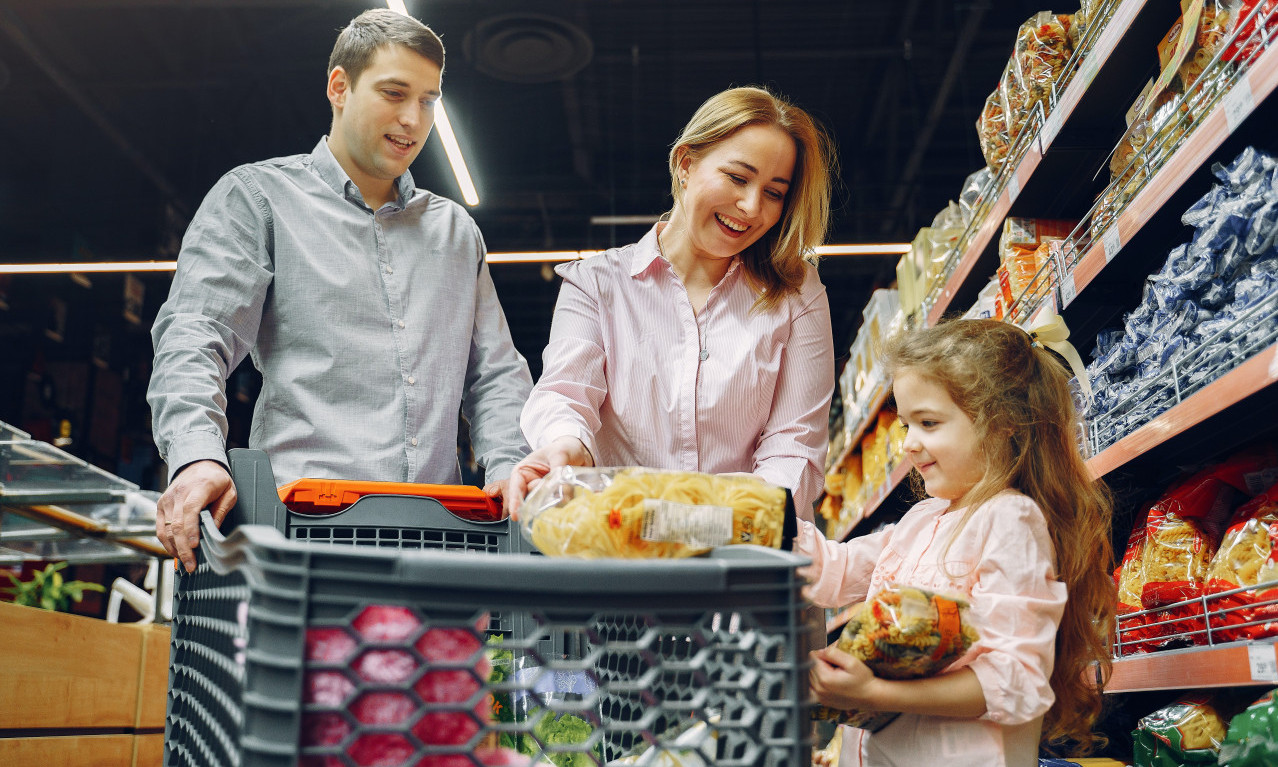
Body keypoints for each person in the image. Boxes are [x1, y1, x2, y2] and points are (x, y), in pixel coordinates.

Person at [147, 9, 532, 572]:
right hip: (299, 540)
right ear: (339, 87)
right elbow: (195, 335)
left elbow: (494, 373)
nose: (413, 119)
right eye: (394, 93)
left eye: (428, 101)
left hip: (439, 544)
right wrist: (197, 456)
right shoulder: (258, 200)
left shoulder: (454, 232)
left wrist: (510, 468)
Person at [506, 86, 836, 521]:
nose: (752, 206)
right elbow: (566, 393)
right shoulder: (596, 284)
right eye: (738, 177)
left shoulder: (797, 293)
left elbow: (795, 445)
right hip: (622, 546)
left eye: (774, 193)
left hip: (745, 554)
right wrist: (566, 446)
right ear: (685, 163)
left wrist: (713, 522)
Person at [798, 319, 1116, 766]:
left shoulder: (1010, 519)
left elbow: (1015, 679)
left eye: (928, 423)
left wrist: (875, 693)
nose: (908, 444)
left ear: (1004, 423)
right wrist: (752, 515)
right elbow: (835, 570)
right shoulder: (922, 520)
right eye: (906, 424)